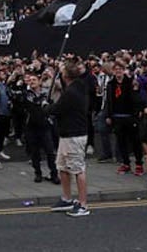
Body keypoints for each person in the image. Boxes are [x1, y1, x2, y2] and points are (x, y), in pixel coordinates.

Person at [48, 62, 91, 218]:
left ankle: (83, 204)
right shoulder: (78, 86)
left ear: (66, 76)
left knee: (77, 169)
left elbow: (57, 109)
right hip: (67, 134)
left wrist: (46, 107)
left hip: (74, 135)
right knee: (63, 167)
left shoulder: (71, 92)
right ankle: (67, 199)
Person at [105, 62, 143, 176]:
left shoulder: (131, 82)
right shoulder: (111, 84)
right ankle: (125, 163)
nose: (118, 71)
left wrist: (138, 112)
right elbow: (109, 100)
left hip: (130, 116)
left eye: (120, 69)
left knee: (135, 141)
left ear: (123, 70)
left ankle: (139, 164)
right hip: (117, 116)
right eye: (116, 69)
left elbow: (137, 98)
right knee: (121, 142)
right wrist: (108, 115)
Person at [20, 73, 59, 184]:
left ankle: (54, 173)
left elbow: (51, 106)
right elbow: (27, 102)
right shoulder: (26, 94)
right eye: (30, 80)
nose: (32, 81)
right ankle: (38, 173)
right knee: (34, 152)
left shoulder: (46, 94)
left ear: (39, 81)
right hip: (31, 127)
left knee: (50, 151)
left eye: (34, 79)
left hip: (45, 126)